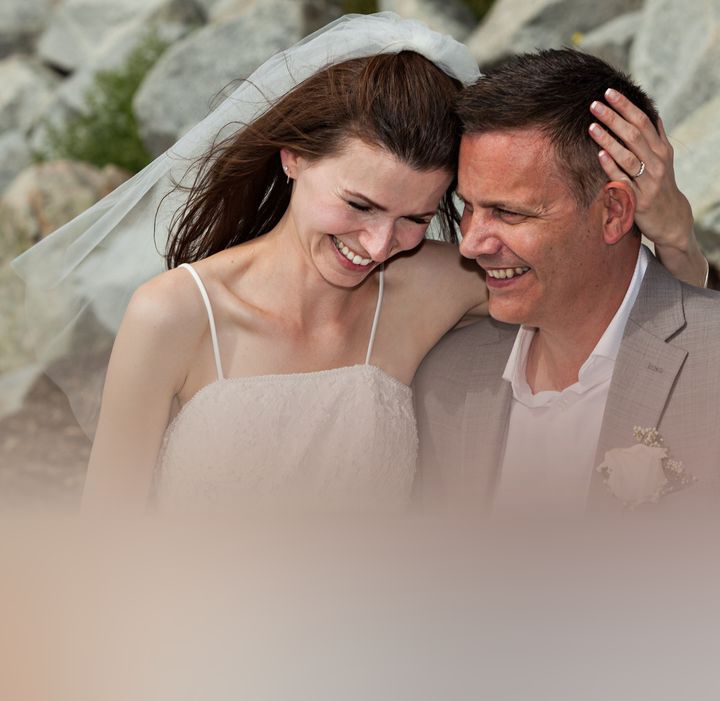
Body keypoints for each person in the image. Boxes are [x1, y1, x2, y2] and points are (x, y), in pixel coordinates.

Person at [11, 15, 706, 512]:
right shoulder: (174, 314)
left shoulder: (441, 282)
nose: (378, 245)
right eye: (360, 204)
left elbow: (615, 302)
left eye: (415, 219)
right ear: (294, 156)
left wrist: (676, 234)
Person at [413, 48, 720, 515]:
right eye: (467, 207)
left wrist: (680, 242)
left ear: (613, 213)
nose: (470, 244)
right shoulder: (445, 380)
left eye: (508, 213)